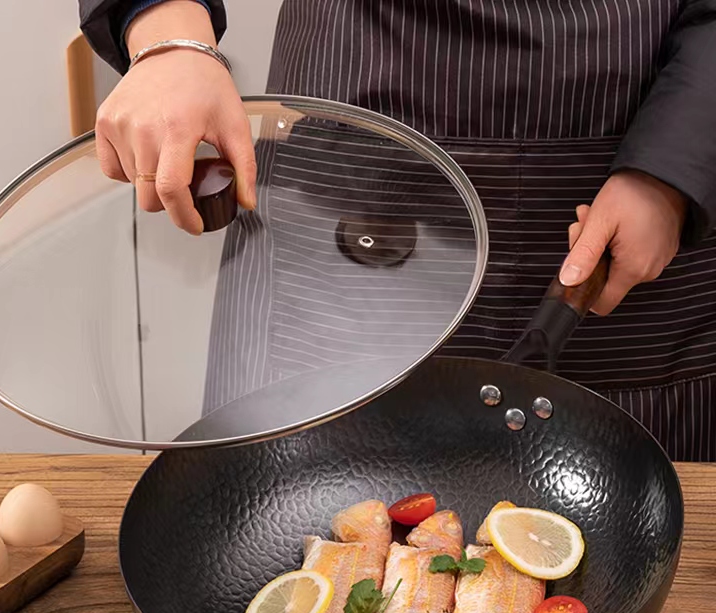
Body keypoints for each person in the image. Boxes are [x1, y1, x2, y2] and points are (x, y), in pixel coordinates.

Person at [78, 0, 716, 461]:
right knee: (279, 530)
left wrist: (672, 171)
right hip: (343, 161)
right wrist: (168, 36)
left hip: (638, 167)